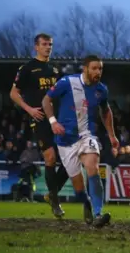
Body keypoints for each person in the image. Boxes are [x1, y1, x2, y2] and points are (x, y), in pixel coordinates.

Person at [41, 55, 119, 228]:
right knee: (79, 189)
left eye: (100, 68)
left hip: (86, 136)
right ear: (85, 68)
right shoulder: (67, 82)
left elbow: (105, 112)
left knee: (92, 167)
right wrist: (53, 122)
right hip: (64, 141)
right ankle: (87, 204)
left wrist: (112, 136)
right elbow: (46, 100)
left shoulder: (101, 90)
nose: (98, 72)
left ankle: (98, 213)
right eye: (94, 68)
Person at [10, 33, 70, 218]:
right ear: (36, 46)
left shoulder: (55, 69)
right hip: (40, 119)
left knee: (70, 161)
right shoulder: (27, 69)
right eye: (44, 44)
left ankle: (51, 194)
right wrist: (29, 110)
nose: (48, 47)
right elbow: (13, 93)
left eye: (50, 44)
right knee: (50, 158)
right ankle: (55, 202)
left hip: (59, 119)